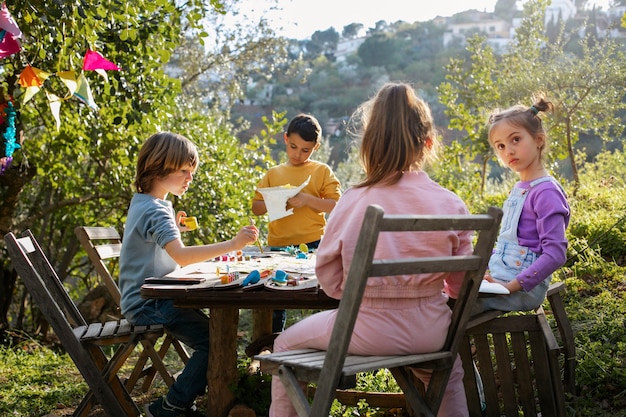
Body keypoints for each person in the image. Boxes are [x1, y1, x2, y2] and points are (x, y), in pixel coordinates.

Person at [268, 83, 471, 417]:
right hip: (431, 331)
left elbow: (332, 282)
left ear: (368, 146)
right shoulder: (451, 203)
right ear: (429, 144)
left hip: (364, 329)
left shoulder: (355, 200)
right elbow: (461, 287)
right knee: (448, 375)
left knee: (283, 344)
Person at [119, 132, 259, 417]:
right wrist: (233, 244)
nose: (190, 178)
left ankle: (184, 400)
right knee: (214, 343)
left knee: (214, 336)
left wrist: (174, 229)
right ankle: (171, 407)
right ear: (160, 167)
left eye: (191, 171)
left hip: (150, 298)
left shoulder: (146, 202)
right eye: (185, 170)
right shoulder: (156, 212)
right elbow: (181, 256)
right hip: (149, 305)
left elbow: (153, 242)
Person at [473, 98, 570, 314]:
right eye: (501, 146)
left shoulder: (546, 192)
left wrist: (508, 287)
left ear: (538, 140)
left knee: (452, 307)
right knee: (444, 294)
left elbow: (555, 254)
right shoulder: (520, 188)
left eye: (515, 139)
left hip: (523, 290)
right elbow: (510, 245)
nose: (508, 151)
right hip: (503, 280)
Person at [251, 113, 341, 332]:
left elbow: (337, 205)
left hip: (314, 244)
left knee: (323, 294)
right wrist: (277, 202)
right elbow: (256, 207)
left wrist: (308, 200)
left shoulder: (321, 171)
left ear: (316, 147)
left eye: (305, 150)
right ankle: (271, 345)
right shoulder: (274, 173)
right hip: (278, 245)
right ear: (285, 139)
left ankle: (328, 338)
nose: (298, 154)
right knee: (275, 298)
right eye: (293, 147)